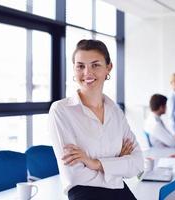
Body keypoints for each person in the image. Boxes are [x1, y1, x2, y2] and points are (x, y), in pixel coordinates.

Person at [48, 39, 143, 200]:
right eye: (80, 66)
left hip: (120, 191)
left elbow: (138, 164)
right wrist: (116, 164)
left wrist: (95, 163)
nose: (87, 72)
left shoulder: (115, 112)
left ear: (109, 67)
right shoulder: (61, 111)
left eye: (95, 65)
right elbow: (74, 176)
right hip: (86, 195)